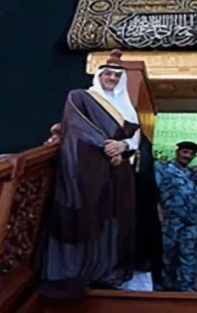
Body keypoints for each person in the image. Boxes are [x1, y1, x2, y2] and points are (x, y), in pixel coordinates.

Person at [37, 50, 159, 297]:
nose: (112, 79)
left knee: (114, 224)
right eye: (108, 74)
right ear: (99, 75)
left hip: (119, 173)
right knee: (88, 220)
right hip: (88, 171)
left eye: (117, 75)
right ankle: (80, 274)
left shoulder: (127, 108)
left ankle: (105, 273)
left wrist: (123, 146)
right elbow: (77, 128)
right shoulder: (81, 97)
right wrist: (107, 145)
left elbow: (135, 139)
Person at [155, 141, 197, 292]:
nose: (187, 156)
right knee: (167, 256)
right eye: (185, 152)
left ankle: (186, 288)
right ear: (177, 152)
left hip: (190, 222)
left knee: (188, 256)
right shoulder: (163, 169)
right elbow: (154, 194)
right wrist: (159, 216)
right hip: (169, 221)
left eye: (191, 154)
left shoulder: (192, 173)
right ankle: (165, 287)